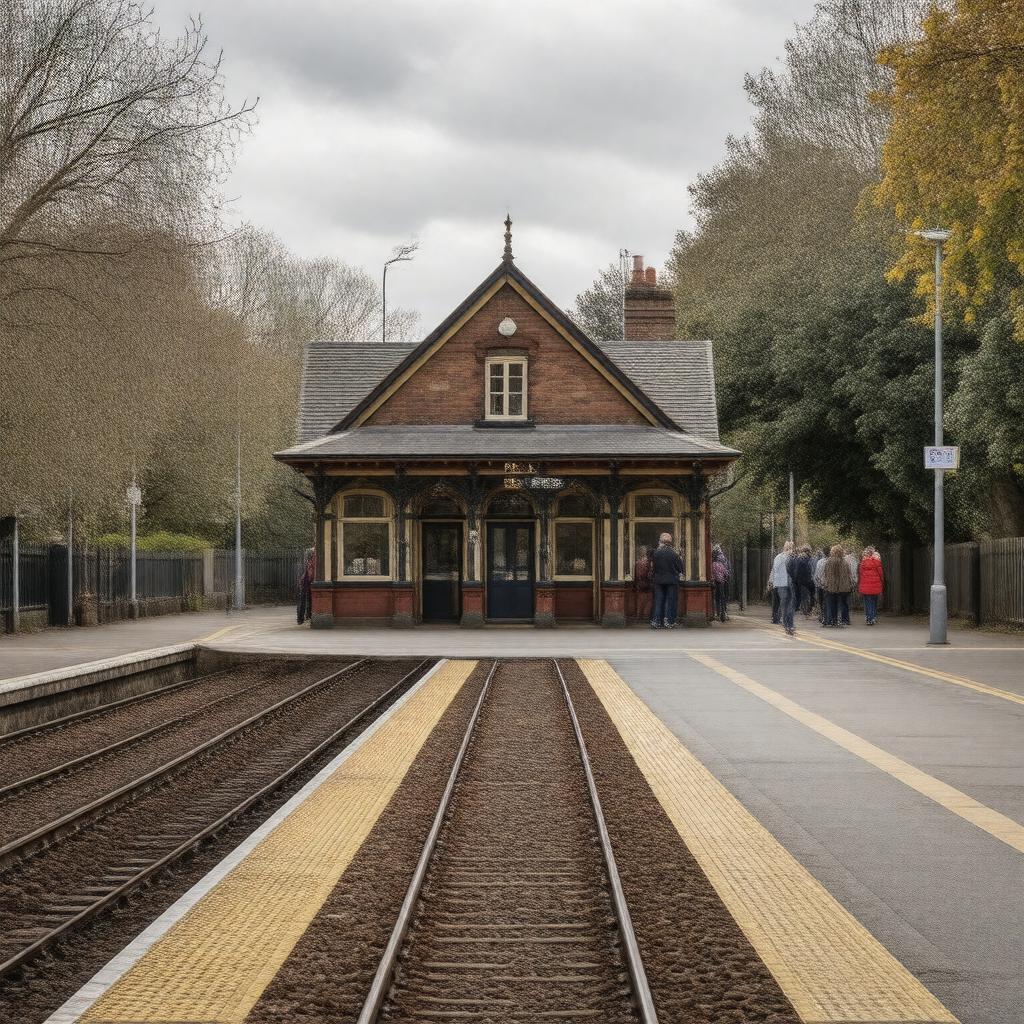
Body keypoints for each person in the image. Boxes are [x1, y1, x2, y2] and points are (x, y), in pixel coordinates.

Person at [650, 533, 684, 629]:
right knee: (670, 600)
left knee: (658, 600)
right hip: (671, 580)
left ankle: (656, 621)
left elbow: (653, 568)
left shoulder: (656, 553)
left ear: (661, 541)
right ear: (670, 542)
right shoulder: (674, 554)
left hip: (658, 580)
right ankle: (668, 621)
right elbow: (680, 568)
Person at [769, 540, 796, 636]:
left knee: (787, 605)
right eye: (791, 547)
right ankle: (789, 625)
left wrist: (772, 582)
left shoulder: (781, 557)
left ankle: (788, 625)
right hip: (785, 584)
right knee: (788, 605)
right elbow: (775, 569)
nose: (791, 550)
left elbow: (775, 570)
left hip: (783, 584)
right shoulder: (783, 557)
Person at [822, 545, 853, 627]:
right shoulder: (845, 562)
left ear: (832, 552)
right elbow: (849, 574)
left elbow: (826, 574)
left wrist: (826, 584)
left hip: (832, 586)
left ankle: (833, 620)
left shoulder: (829, 561)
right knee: (844, 603)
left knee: (833, 603)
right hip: (844, 586)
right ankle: (845, 620)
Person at [859, 546, 884, 625]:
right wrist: (881, 582)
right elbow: (881, 574)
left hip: (865, 585)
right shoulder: (877, 562)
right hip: (875, 585)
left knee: (867, 602)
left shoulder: (863, 563)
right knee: (874, 601)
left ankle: (868, 618)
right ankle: (873, 617)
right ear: (872, 554)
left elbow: (860, 574)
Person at [793, 545, 815, 617]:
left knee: (805, 597)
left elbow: (796, 571)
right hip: (810, 581)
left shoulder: (799, 560)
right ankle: (808, 610)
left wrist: (796, 580)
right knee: (810, 596)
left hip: (803, 581)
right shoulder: (812, 559)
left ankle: (806, 611)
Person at [711, 543, 731, 623]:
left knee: (717, 597)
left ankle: (718, 613)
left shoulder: (713, 562)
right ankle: (724, 612)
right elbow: (727, 572)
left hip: (716, 582)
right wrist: (726, 577)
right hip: (723, 581)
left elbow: (712, 573)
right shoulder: (724, 560)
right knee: (723, 597)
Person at [633, 545, 653, 624]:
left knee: (641, 600)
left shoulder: (638, 562)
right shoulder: (647, 562)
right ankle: (644, 616)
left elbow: (638, 575)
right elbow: (643, 574)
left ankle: (640, 616)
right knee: (646, 600)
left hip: (641, 583)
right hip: (646, 583)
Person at [296, 547, 315, 625]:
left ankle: (303, 617)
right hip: (306, 580)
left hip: (305, 580)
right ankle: (302, 617)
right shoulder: (311, 559)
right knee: (304, 598)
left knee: (304, 598)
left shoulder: (306, 559)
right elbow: (310, 572)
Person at [842, 547, 859, 626]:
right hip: (851, 583)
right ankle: (847, 619)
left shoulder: (844, 561)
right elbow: (855, 573)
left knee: (843, 601)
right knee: (847, 601)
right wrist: (855, 582)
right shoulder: (854, 560)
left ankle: (844, 619)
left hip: (844, 583)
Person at [813, 547, 828, 623]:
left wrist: (818, 583)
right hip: (828, 585)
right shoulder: (830, 561)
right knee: (827, 602)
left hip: (820, 585)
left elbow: (816, 575)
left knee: (821, 602)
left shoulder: (820, 562)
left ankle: (822, 616)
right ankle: (827, 617)